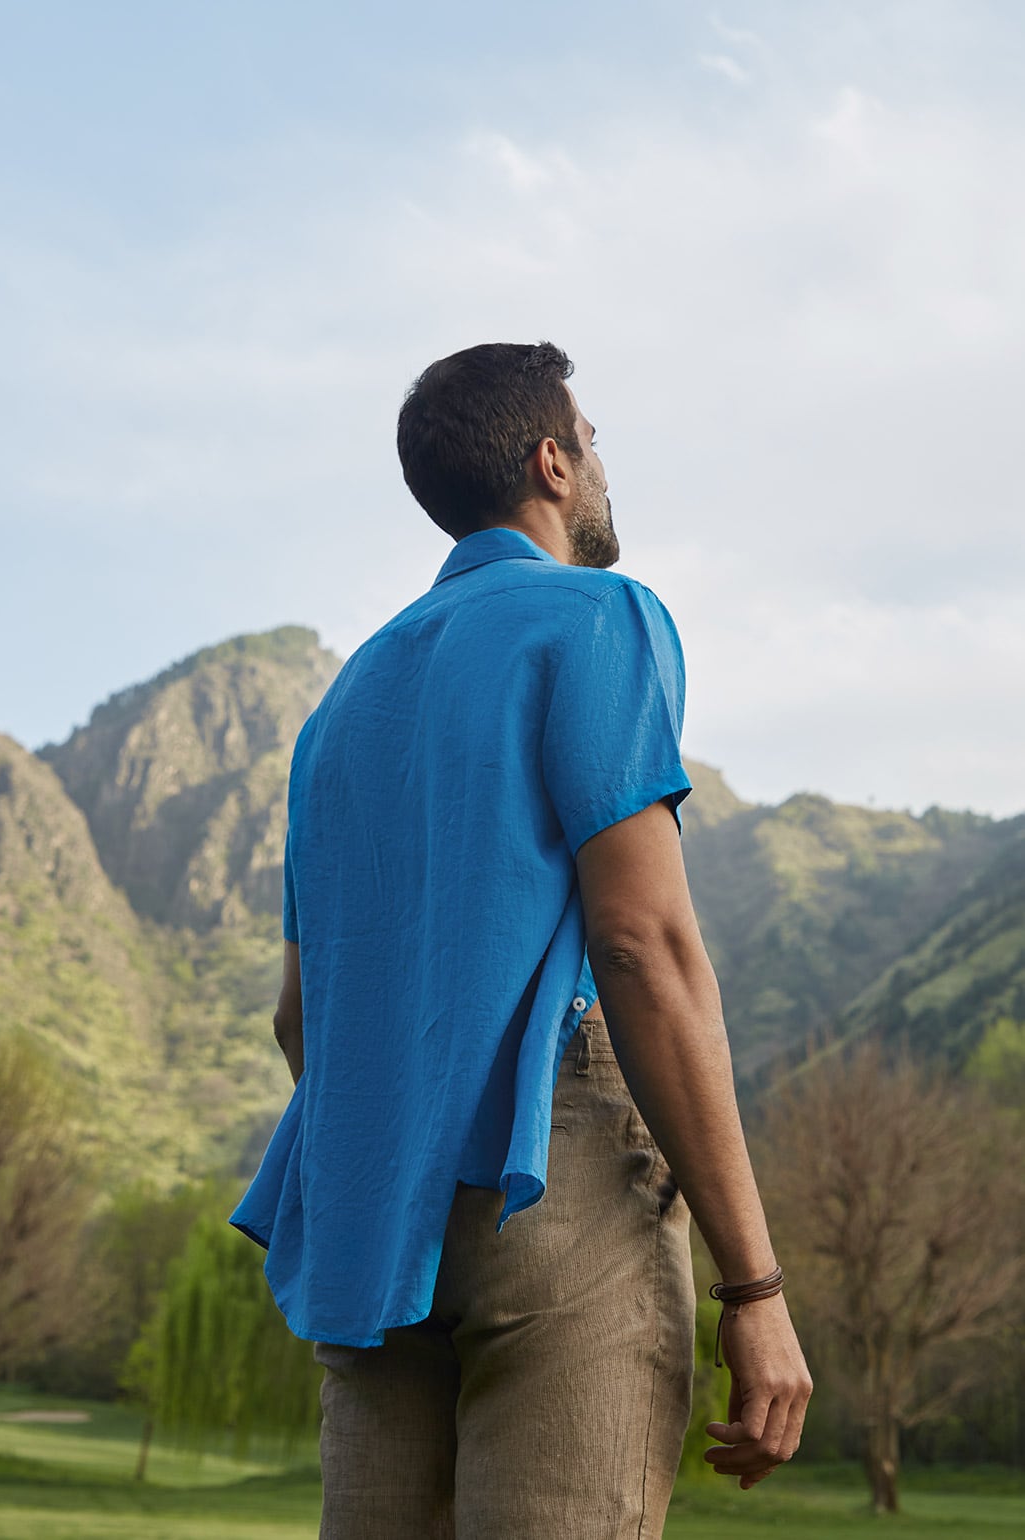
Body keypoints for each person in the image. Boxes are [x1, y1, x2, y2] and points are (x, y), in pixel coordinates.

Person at [231, 341, 811, 1538]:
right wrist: (752, 1286)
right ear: (553, 461)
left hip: (372, 1212)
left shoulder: (342, 704)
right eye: (592, 440)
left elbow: (301, 1016)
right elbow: (643, 946)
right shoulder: (598, 619)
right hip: (556, 1182)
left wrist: (403, 1143)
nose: (600, 462)